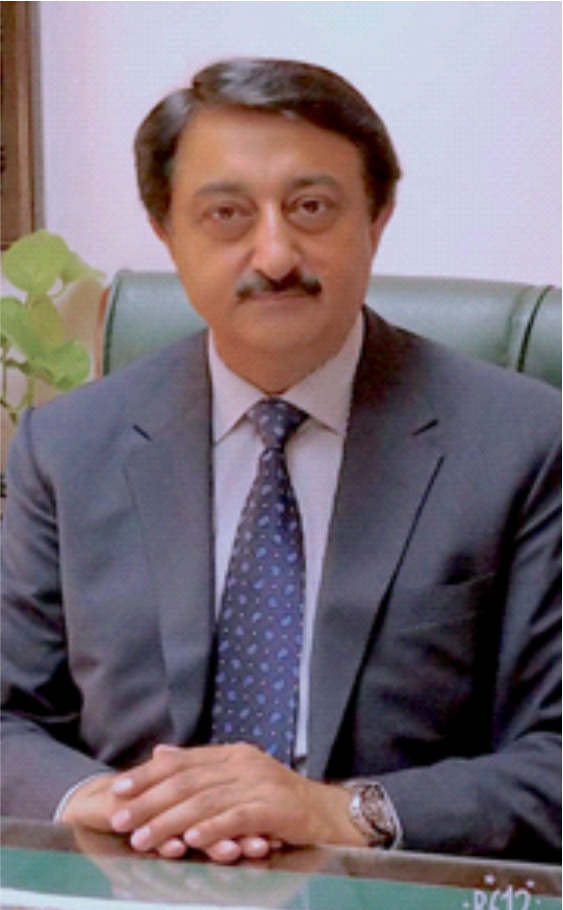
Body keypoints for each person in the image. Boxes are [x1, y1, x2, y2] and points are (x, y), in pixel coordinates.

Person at [1, 58, 560, 866]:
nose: (272, 254)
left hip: (389, 896)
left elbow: (553, 755)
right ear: (166, 233)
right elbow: (11, 717)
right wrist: (108, 801)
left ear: (376, 219)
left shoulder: (523, 443)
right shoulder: (69, 446)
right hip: (139, 886)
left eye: (310, 208)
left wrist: (338, 810)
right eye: (225, 213)